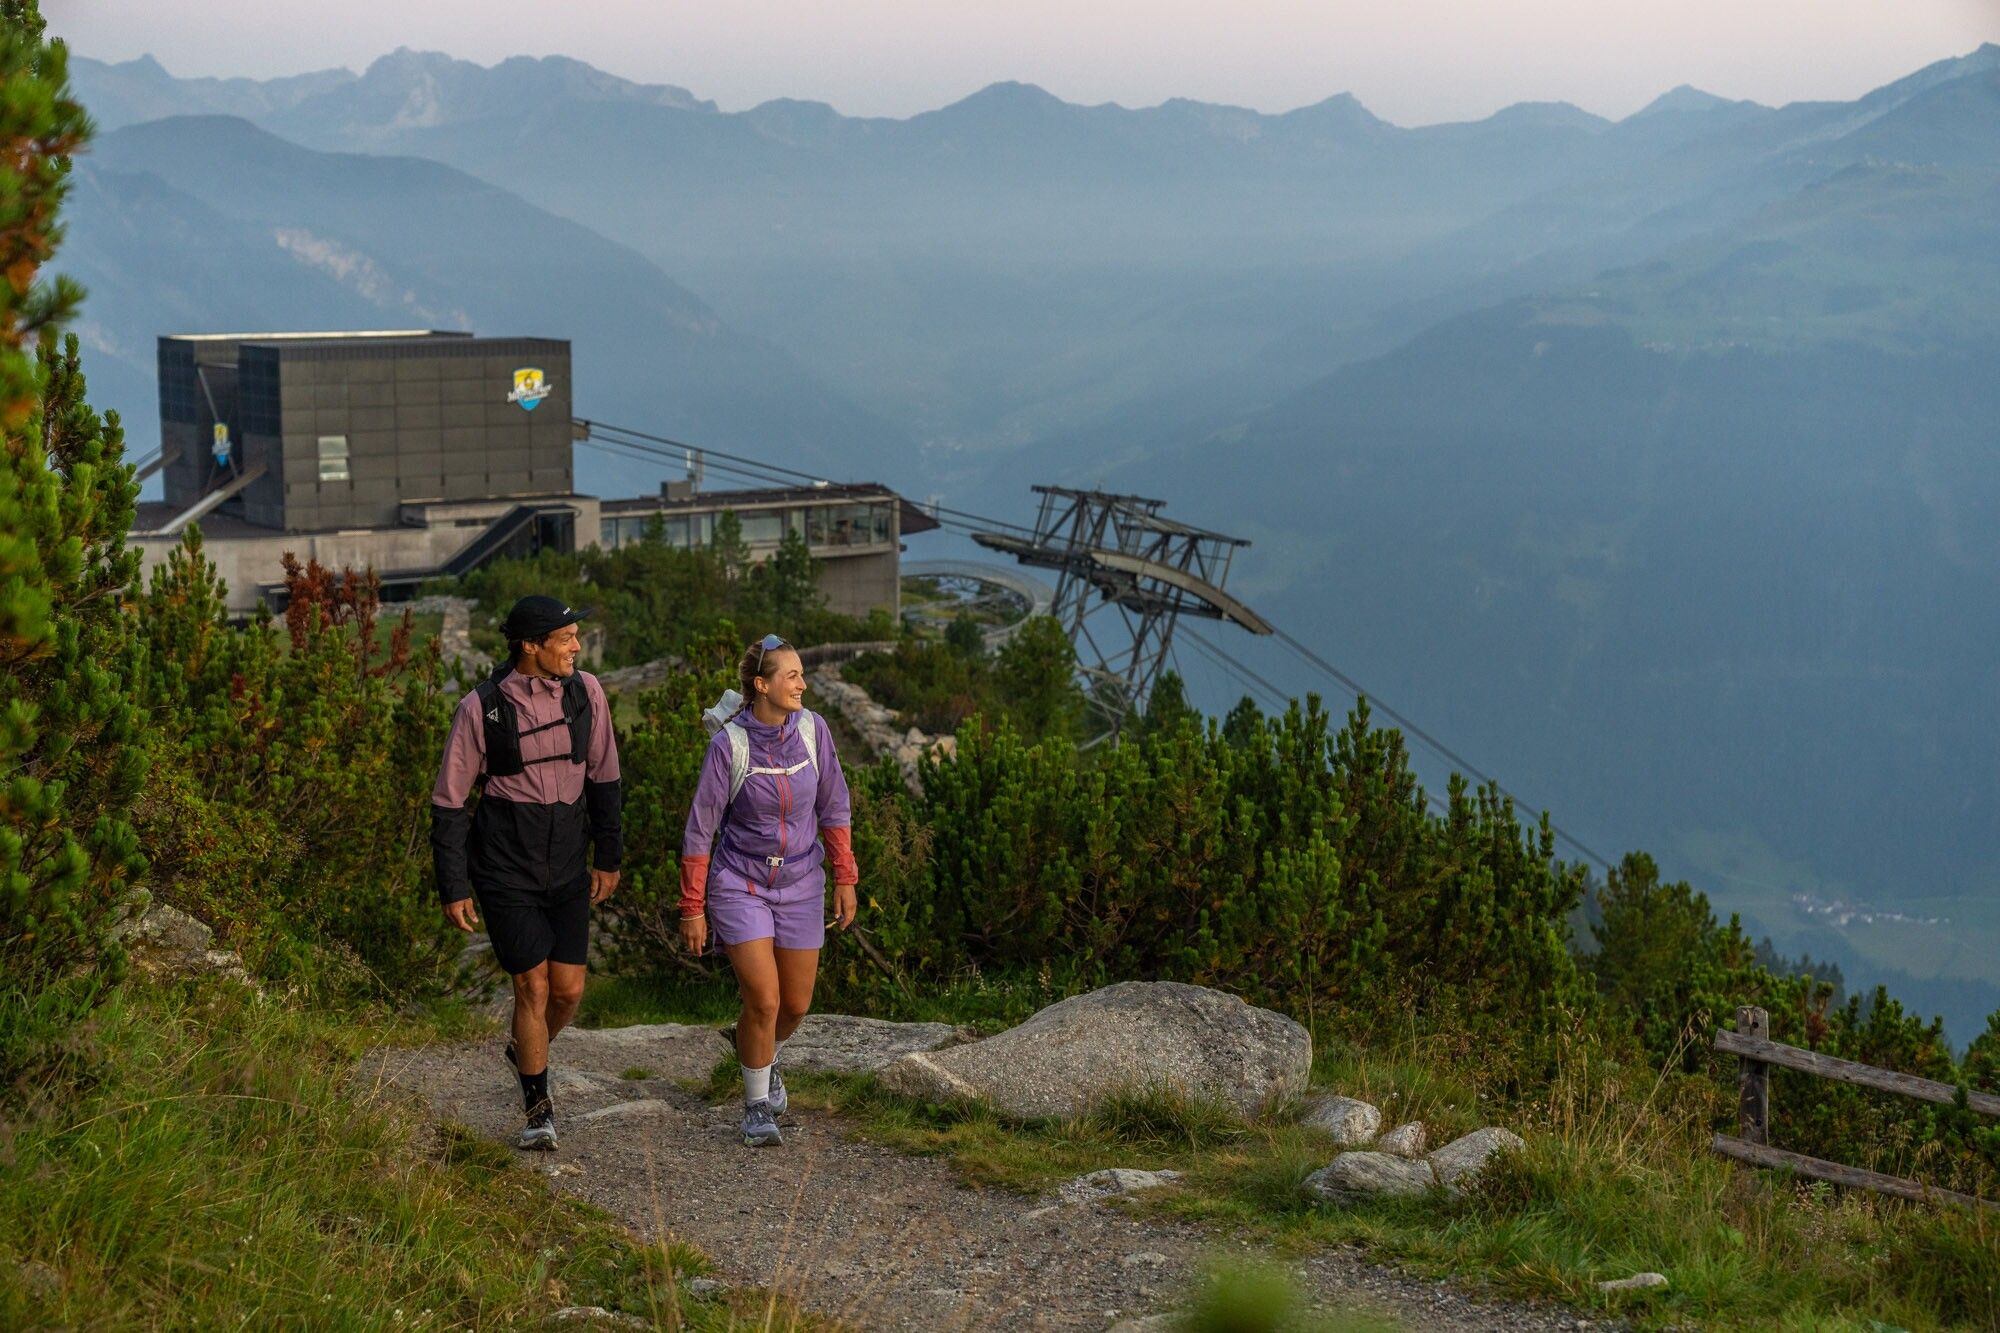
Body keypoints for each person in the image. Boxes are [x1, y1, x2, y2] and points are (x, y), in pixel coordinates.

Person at [430, 595, 622, 1151]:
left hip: (567, 861)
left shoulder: (588, 693)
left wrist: (608, 856)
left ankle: (525, 1050)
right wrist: (454, 886)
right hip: (505, 865)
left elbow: (605, 778)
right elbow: (449, 803)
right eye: (566, 639)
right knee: (531, 986)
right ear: (531, 645)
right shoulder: (481, 708)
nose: (577, 647)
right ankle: (539, 1111)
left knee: (568, 992)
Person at [680, 633, 859, 1147]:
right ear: (762, 685)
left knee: (795, 1005)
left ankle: (762, 1055)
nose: (802, 684)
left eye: (802, 675)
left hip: (802, 881)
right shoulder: (728, 746)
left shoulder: (812, 730)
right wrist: (692, 906)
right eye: (792, 676)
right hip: (741, 883)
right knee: (763, 999)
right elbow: (699, 831)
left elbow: (834, 805)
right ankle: (756, 1107)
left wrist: (845, 876)